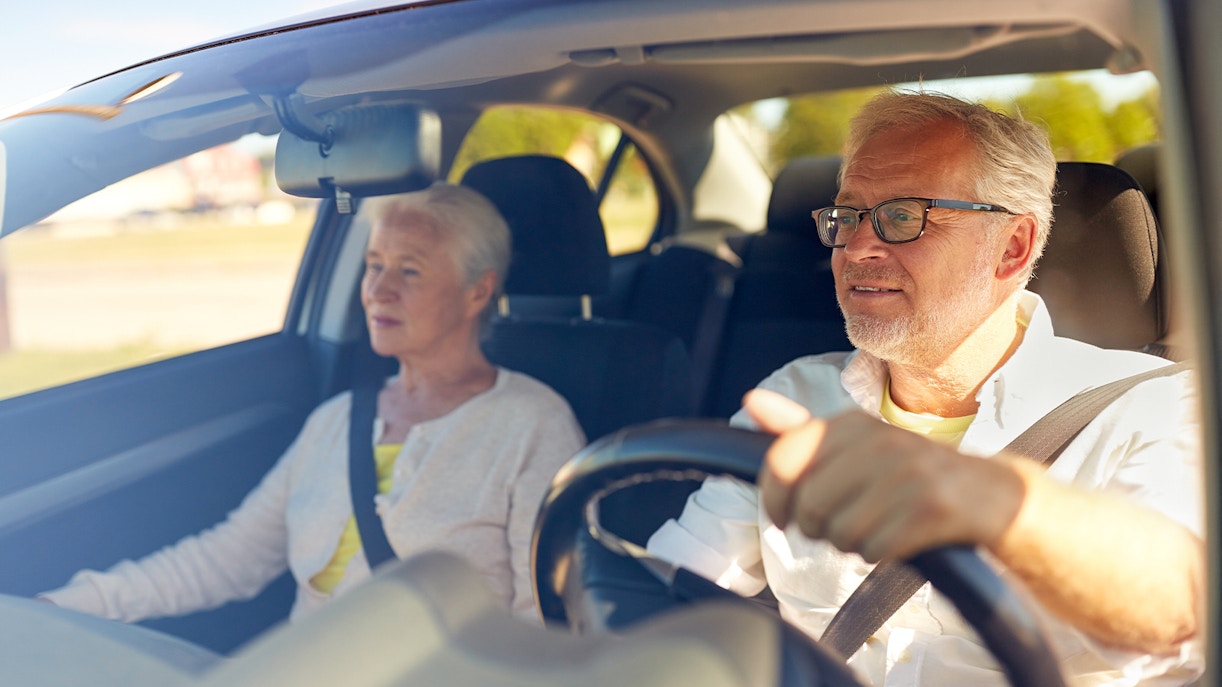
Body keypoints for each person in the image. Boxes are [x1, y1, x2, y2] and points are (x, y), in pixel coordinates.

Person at [646, 91, 1203, 685]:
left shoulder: (1156, 407)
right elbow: (670, 599)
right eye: (848, 216)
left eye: (904, 216)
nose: (858, 248)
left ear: (1011, 248)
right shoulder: (796, 397)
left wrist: (992, 501)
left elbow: (1180, 606)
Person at [40, 183, 585, 623]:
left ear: (478, 291)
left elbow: (539, 619)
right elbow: (227, 559)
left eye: (410, 270)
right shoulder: (337, 421)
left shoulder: (532, 424)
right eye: (375, 265)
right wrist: (68, 606)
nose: (378, 290)